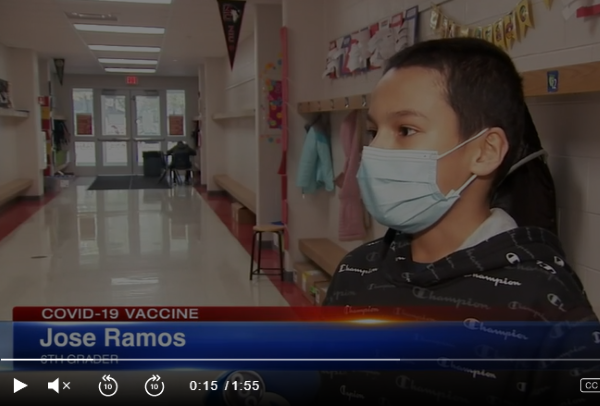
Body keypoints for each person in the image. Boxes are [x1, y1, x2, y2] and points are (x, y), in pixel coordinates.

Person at [321, 38, 600, 405]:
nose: (374, 152)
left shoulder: (545, 302)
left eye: (405, 130)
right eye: (374, 132)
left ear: (484, 152)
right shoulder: (355, 272)